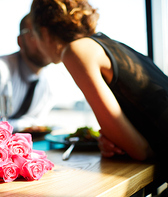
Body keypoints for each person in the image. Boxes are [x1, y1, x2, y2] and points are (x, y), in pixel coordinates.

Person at [30, 0, 168, 162]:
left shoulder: (76, 51)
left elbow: (141, 151)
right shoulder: (111, 46)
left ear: (44, 33)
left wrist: (123, 142)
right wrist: (114, 140)